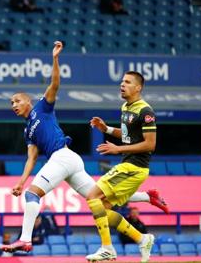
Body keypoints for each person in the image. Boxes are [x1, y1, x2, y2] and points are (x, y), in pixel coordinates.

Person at [0, 43, 168, 254]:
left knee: (33, 195)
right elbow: (31, 159)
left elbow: (55, 83)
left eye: (17, 100)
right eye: (11, 103)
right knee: (99, 199)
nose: (13, 105)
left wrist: (55, 59)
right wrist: (20, 182)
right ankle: (147, 199)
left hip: (62, 157)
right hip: (69, 162)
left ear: (28, 101)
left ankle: (25, 239)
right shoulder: (28, 131)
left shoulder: (41, 108)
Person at [85, 71, 158, 262]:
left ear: (138, 87)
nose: (122, 84)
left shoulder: (146, 111)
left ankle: (107, 248)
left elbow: (150, 144)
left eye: (127, 82)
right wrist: (106, 129)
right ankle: (142, 238)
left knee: (92, 196)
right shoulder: (126, 106)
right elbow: (127, 135)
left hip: (134, 167)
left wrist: (119, 149)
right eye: (121, 81)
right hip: (128, 165)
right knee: (103, 209)